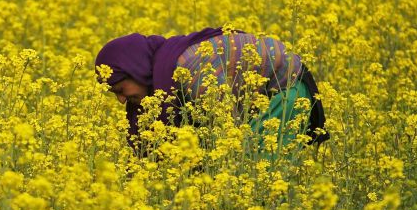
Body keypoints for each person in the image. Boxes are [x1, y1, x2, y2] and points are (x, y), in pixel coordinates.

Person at [94, 26, 330, 154]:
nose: (121, 100)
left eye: (120, 89)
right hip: (260, 103)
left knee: (255, 169)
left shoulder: (190, 67)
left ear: (136, 70)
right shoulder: (167, 74)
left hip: (284, 93)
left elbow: (229, 130)